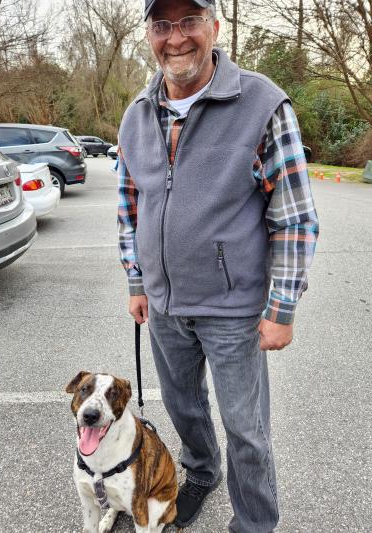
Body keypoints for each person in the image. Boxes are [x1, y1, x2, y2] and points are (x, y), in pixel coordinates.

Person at [117, 0, 319, 531]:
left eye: (189, 21)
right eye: (162, 24)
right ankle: (201, 473)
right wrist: (138, 279)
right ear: (148, 34)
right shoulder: (138, 111)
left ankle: (254, 523)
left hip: (233, 310)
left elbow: (294, 217)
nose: (176, 37)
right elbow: (129, 201)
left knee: (246, 430)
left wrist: (282, 308)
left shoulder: (261, 103)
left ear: (215, 26)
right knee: (185, 410)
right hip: (163, 306)